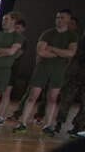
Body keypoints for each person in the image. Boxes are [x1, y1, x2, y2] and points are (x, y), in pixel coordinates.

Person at [15, 9, 78, 137]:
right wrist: (60, 53)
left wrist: (52, 49)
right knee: (33, 96)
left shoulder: (72, 36)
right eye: (57, 17)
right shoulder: (47, 34)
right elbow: (41, 52)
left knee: (52, 98)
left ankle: (48, 125)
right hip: (43, 68)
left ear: (68, 20)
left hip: (58, 70)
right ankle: (22, 123)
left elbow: (70, 53)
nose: (59, 20)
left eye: (62, 18)